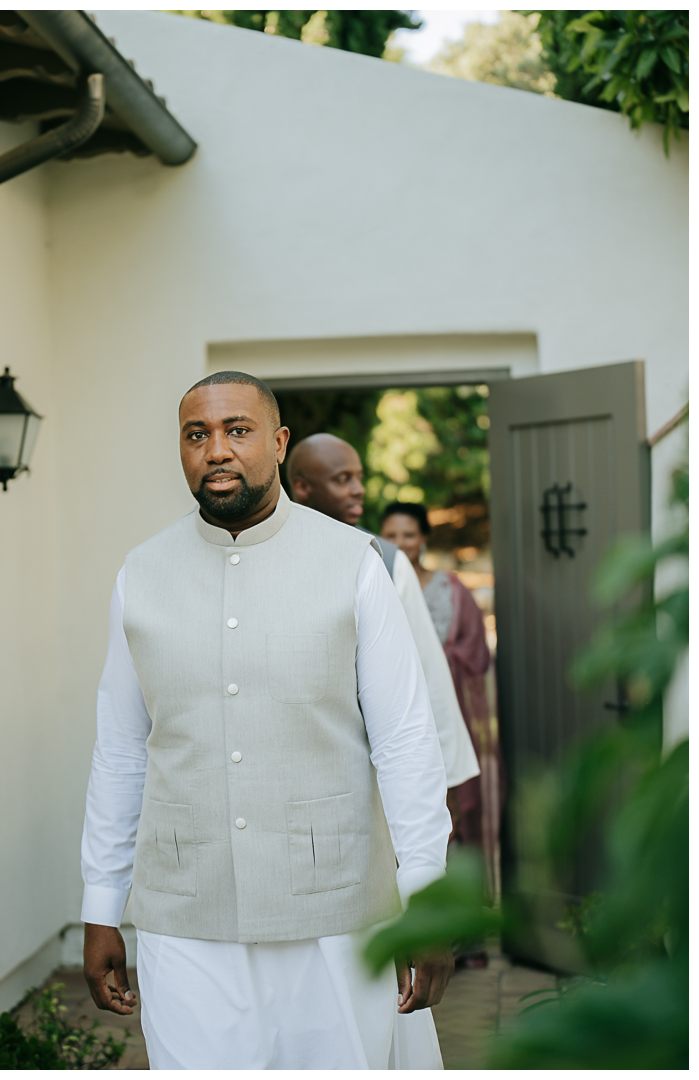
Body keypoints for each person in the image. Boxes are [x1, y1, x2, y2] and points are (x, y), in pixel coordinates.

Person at [81, 371, 456, 1070]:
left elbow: (405, 742)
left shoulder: (355, 566)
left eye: (237, 430)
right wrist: (101, 903)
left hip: (335, 914)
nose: (216, 449)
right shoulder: (141, 575)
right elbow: (122, 751)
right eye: (198, 435)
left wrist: (428, 902)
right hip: (184, 914)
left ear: (278, 444)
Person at [286, 433, 479, 794]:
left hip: (371, 773)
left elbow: (427, 672)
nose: (358, 489)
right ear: (301, 487)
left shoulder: (387, 561)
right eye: (343, 479)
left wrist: (444, 781)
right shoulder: (269, 560)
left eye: (359, 477)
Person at [380, 502, 504, 917]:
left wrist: (440, 658)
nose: (401, 544)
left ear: (424, 538)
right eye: (392, 536)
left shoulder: (450, 588)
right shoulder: (375, 578)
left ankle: (464, 930)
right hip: (395, 710)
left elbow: (476, 650)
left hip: (447, 708)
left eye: (409, 535)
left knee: (456, 810)